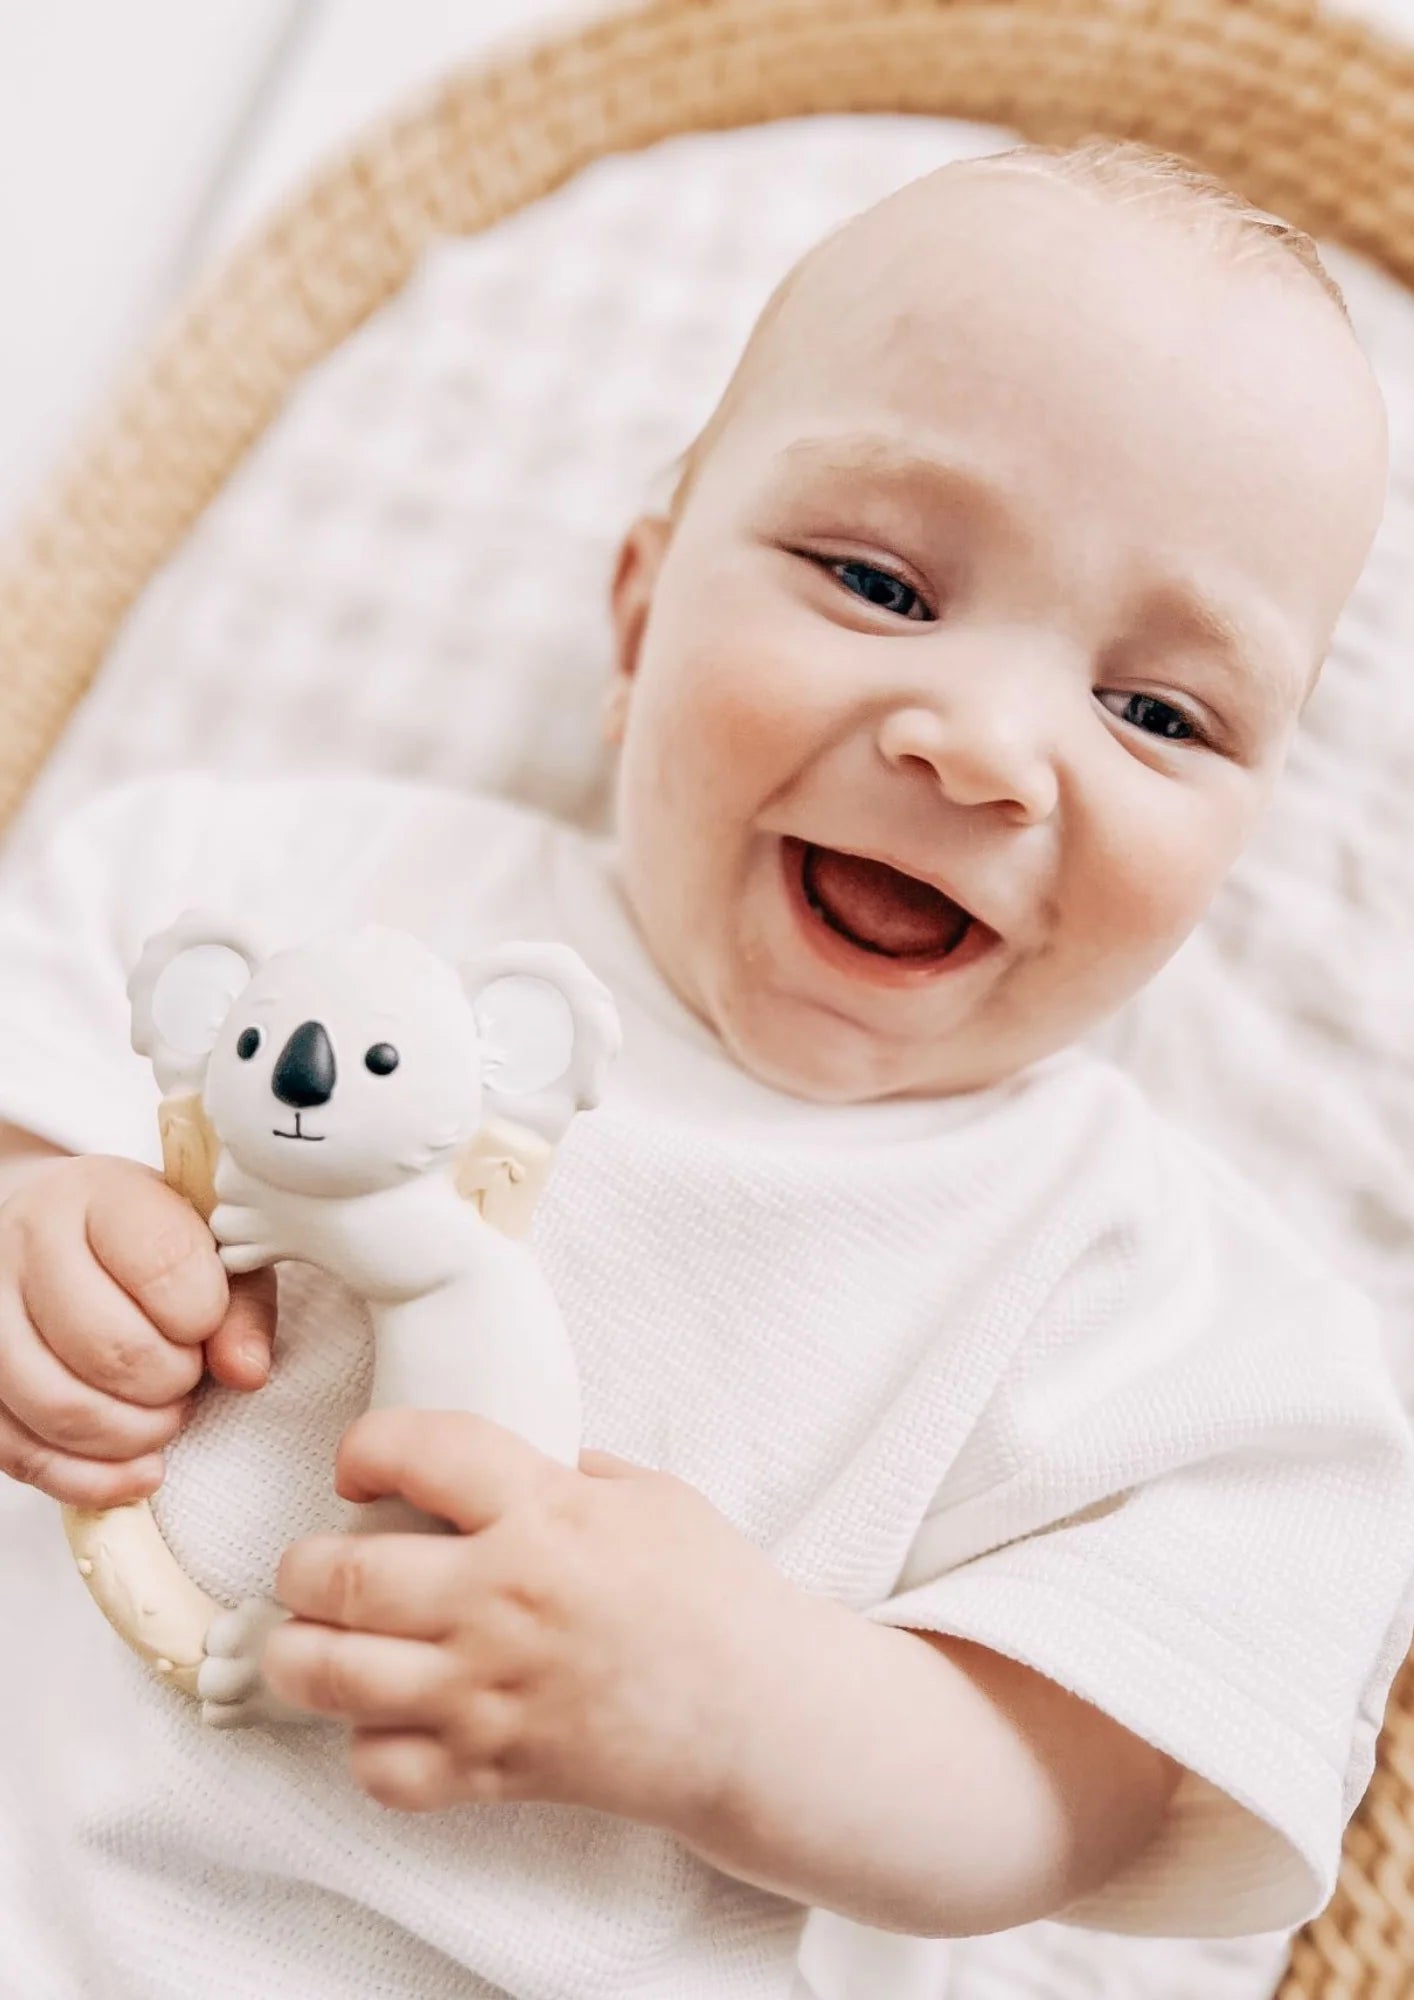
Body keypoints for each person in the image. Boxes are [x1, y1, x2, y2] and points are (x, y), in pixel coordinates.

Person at [0, 138, 1411, 2000]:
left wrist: (746, 1714)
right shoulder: (264, 893)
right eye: (880, 583)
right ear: (640, 615)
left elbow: (1081, 1803)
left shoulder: (1173, 1320)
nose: (983, 746)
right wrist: (41, 1224)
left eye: (1156, 713)